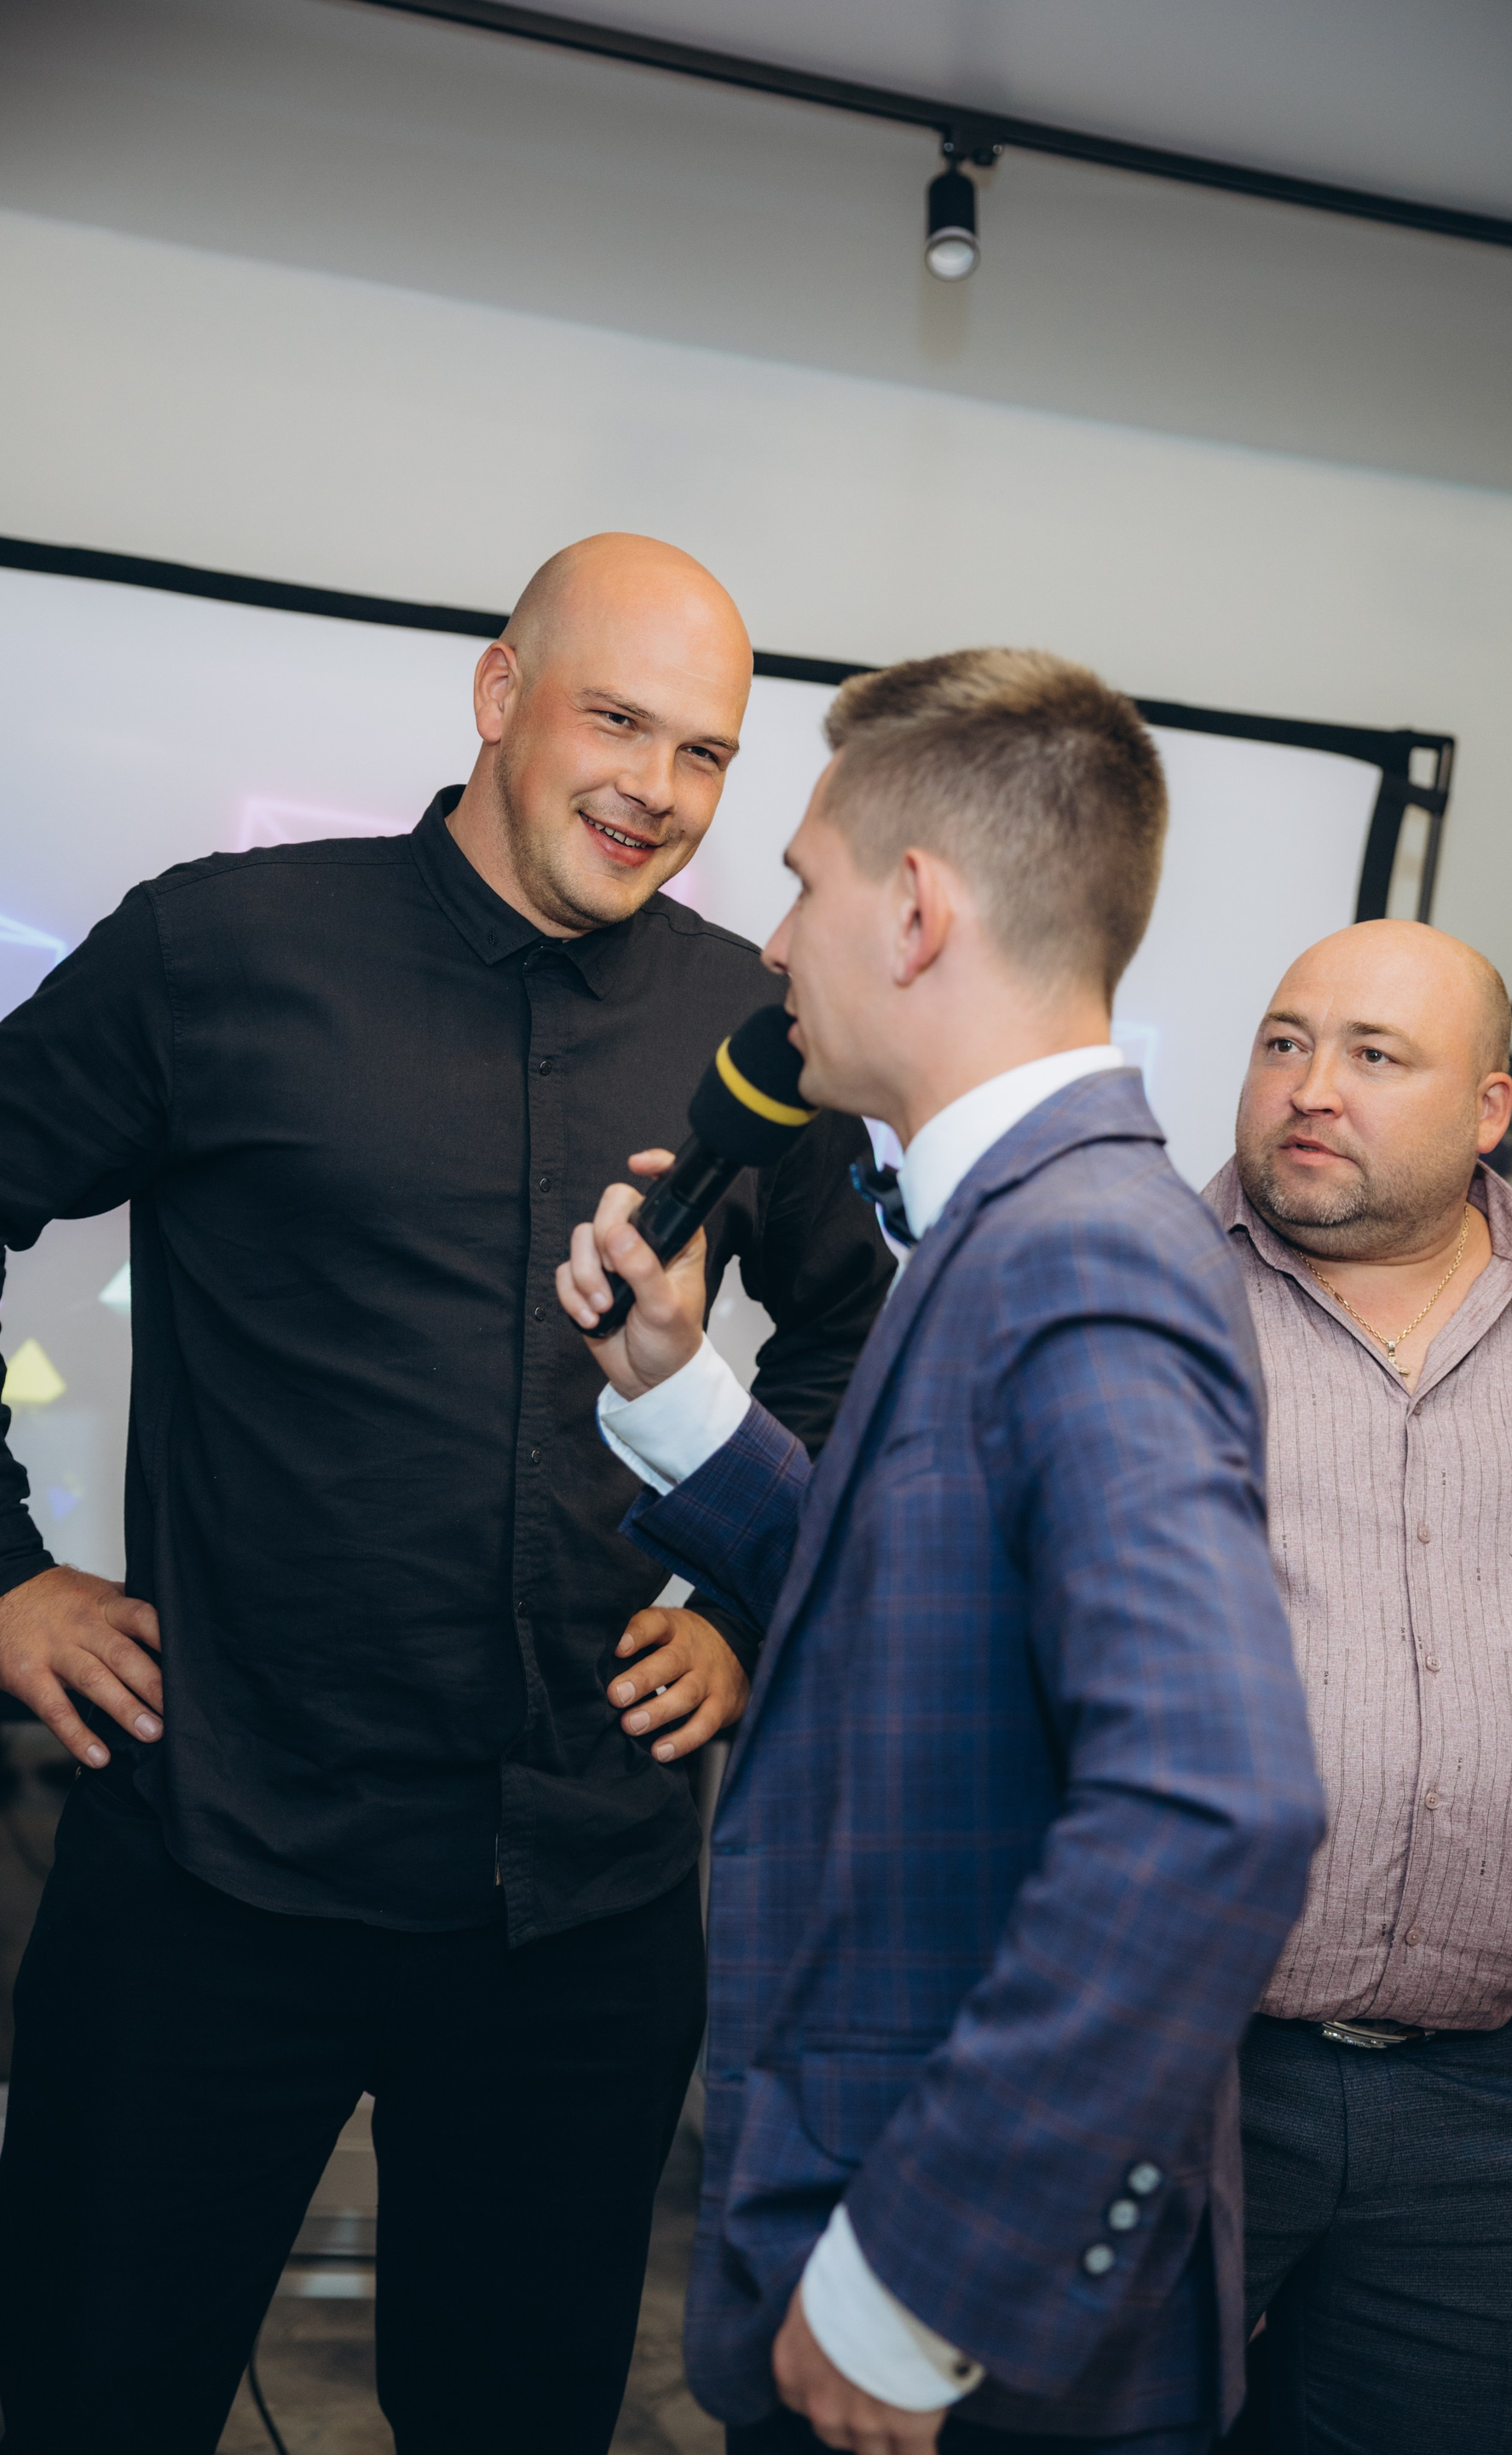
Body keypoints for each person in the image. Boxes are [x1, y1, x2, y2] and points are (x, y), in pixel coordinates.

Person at [0, 533, 894, 2455]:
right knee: (84, 2398)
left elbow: (858, 1342)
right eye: (617, 721)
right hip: (215, 1867)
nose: (657, 788)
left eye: (707, 753)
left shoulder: (763, 1028)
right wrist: (3, 1575)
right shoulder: (218, 949)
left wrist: (742, 1606)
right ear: (499, 694)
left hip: (582, 1912)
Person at [557, 650, 1326, 2455]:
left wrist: (923, 2278)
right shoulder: (1013, 1224)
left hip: (948, 2307)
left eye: (802, 886)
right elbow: (920, 1623)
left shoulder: (1084, 1251)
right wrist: (681, 1398)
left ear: (915, 914)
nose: (772, 944)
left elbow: (1215, 1804)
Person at [1208, 918, 1512, 2455]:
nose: (1311, 1086)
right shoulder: (1137, 1296)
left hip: (1500, 2106)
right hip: (1177, 2074)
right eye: (1285, 1041)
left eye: (1375, 1055)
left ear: (1488, 1110)